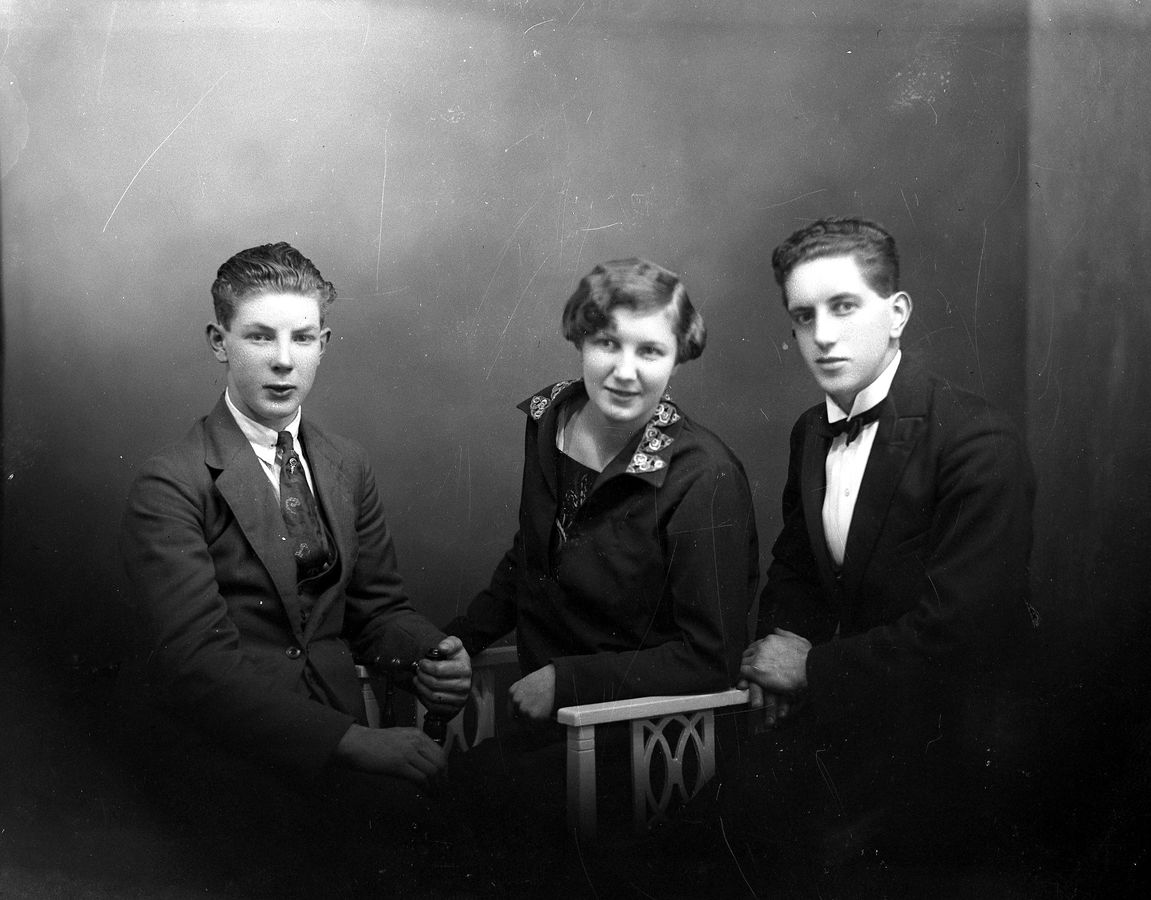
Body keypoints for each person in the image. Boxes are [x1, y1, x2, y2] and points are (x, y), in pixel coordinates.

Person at [120, 243, 473, 890]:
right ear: (219, 342)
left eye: (302, 337)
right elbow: (195, 667)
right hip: (229, 764)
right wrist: (356, 742)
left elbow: (376, 610)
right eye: (260, 336)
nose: (284, 360)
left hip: (345, 750)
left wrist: (430, 653)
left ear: (323, 344)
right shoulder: (171, 482)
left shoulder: (345, 464)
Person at [714, 217, 1037, 882]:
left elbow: (965, 632)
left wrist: (810, 669)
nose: (822, 336)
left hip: (951, 751)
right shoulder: (811, 432)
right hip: (844, 734)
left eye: (843, 307)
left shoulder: (977, 441)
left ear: (896, 315)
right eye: (803, 316)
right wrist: (778, 653)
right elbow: (796, 570)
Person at [446, 258, 758, 722]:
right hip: (536, 723)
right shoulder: (549, 418)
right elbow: (534, 559)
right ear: (580, 340)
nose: (624, 372)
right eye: (607, 343)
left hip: (645, 737)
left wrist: (567, 682)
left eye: (650, 351)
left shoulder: (703, 474)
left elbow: (713, 658)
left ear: (677, 359)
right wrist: (462, 639)